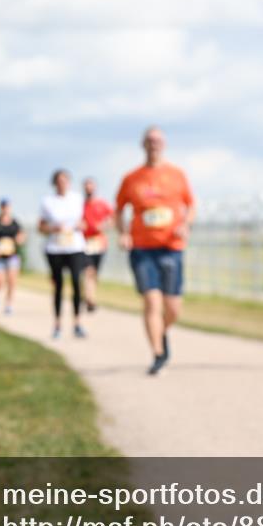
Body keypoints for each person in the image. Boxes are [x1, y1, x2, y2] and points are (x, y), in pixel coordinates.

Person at [115, 126, 196, 376]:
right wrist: (124, 233)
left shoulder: (177, 175)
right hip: (142, 248)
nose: (154, 144)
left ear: (164, 144)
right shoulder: (132, 178)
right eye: (150, 140)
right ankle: (158, 354)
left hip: (171, 247)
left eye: (158, 140)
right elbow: (118, 209)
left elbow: (190, 206)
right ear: (143, 144)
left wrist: (185, 225)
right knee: (152, 300)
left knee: (173, 308)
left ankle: (161, 331)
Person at [39, 169, 87, 339]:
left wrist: (80, 226)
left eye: (65, 180)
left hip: (75, 246)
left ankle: (77, 323)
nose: (62, 184)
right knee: (58, 285)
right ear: (54, 183)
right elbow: (41, 227)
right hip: (55, 247)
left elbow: (84, 222)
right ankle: (57, 324)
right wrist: (53, 228)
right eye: (59, 181)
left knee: (76, 282)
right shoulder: (48, 201)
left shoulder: (77, 199)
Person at [0, 199, 25, 315]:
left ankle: (9, 305)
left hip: (12, 256)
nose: (5, 209)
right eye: (3, 206)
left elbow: (21, 236)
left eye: (7, 206)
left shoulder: (15, 223)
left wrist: (20, 240)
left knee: (12, 282)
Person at [82, 176, 114, 312]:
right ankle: (90, 299)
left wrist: (104, 225)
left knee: (94, 273)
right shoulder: (80, 205)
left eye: (91, 186)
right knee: (88, 271)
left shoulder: (102, 204)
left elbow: (113, 219)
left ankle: (89, 295)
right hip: (84, 243)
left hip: (99, 243)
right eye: (87, 186)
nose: (89, 189)